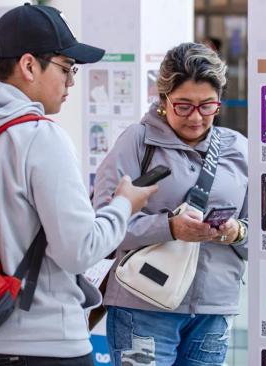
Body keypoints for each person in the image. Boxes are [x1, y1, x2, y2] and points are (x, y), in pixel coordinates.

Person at [0, 4, 157, 365]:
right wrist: (123, 206)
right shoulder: (40, 139)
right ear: (28, 65)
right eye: (67, 68)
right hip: (44, 343)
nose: (71, 82)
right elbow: (79, 250)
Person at [93, 42, 248, 366]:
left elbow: (265, 234)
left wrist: (235, 232)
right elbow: (102, 226)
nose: (196, 117)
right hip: (143, 307)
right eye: (183, 106)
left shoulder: (238, 149)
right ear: (163, 100)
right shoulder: (137, 142)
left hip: (213, 310)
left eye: (207, 106)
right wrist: (169, 227)